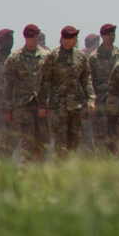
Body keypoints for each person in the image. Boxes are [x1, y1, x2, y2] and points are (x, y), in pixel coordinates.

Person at [41, 26, 96, 154]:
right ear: (64, 39)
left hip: (75, 105)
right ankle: (60, 167)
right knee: (60, 139)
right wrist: (42, 105)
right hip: (57, 106)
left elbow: (86, 80)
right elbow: (45, 82)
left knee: (75, 139)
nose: (76, 40)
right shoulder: (52, 57)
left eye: (76, 37)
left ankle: (69, 166)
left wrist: (91, 99)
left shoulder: (80, 56)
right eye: (73, 37)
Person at [3, 25, 50, 161]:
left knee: (43, 140)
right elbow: (8, 85)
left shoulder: (46, 57)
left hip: (41, 104)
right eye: (32, 37)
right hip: (22, 104)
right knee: (28, 139)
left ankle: (38, 170)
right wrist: (7, 108)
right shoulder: (15, 58)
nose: (35, 40)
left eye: (36, 37)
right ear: (25, 38)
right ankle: (25, 171)